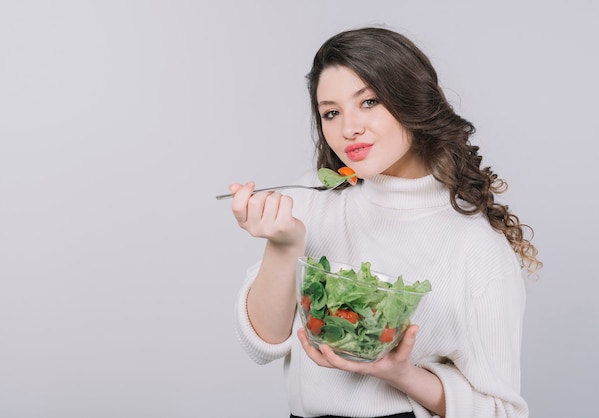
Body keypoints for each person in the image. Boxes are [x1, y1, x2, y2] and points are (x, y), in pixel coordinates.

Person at [225, 26, 541, 418]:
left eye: (370, 101)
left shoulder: (476, 248)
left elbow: (501, 412)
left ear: (413, 101)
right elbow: (261, 344)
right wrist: (284, 245)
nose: (349, 128)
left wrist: (401, 374)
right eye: (331, 113)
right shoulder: (311, 199)